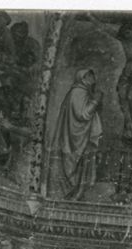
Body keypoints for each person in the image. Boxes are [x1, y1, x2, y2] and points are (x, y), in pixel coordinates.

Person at [52, 68, 103, 200]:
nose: (93, 78)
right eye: (90, 75)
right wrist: (96, 101)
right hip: (77, 138)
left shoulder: (82, 92)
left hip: (81, 135)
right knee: (80, 161)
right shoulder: (78, 92)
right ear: (83, 78)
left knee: (84, 162)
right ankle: (74, 192)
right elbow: (82, 114)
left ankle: (78, 193)